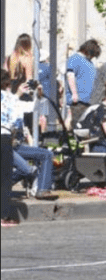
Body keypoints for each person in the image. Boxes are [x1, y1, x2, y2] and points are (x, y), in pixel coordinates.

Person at [2, 69, 57, 199]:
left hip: (15, 145)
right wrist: (17, 95)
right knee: (27, 169)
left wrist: (39, 95)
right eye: (7, 85)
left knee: (46, 155)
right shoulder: (9, 100)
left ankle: (42, 189)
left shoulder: (15, 102)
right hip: (5, 144)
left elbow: (35, 108)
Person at [65, 38, 102, 124]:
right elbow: (70, 75)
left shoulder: (89, 62)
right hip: (79, 100)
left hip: (88, 100)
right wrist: (74, 93)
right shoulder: (75, 58)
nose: (93, 57)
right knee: (77, 123)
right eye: (93, 55)